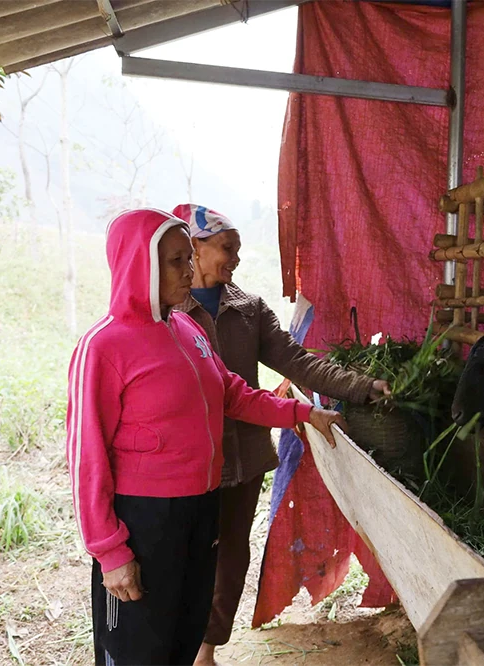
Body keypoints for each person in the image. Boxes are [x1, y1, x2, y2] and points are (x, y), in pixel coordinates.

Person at [66, 208, 347, 666]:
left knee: (184, 627)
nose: (189, 270)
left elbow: (232, 395)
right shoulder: (104, 345)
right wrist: (110, 551)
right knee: (139, 644)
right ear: (142, 264)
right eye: (176, 261)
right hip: (145, 518)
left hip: (200, 505)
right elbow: (86, 455)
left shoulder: (186, 328)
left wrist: (301, 412)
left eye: (186, 258)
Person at [169, 203, 390, 666]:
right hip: (182, 465)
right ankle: (172, 643)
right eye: (227, 248)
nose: (235, 259)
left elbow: (299, 362)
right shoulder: (166, 311)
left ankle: (205, 651)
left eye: (238, 250)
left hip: (243, 459)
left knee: (230, 560)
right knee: (180, 557)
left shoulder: (248, 310)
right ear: (195, 246)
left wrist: (365, 387)